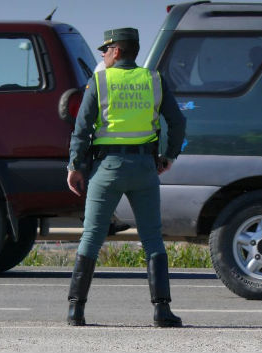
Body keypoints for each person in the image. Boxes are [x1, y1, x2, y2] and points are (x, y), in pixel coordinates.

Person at [66, 27, 186, 327]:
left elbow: (81, 129)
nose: (104, 55)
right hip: (145, 167)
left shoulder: (100, 81)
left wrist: (75, 166)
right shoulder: (154, 80)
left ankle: (76, 310)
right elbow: (178, 121)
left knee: (92, 236)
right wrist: (168, 156)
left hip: (107, 168)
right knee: (152, 238)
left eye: (105, 50)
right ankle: (162, 311)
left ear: (117, 51)